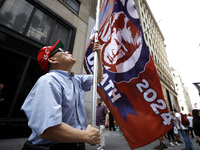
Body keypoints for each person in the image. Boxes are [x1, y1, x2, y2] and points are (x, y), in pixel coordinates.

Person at [21, 39, 103, 150]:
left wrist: (98, 55)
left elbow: (97, 78)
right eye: (60, 50)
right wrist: (86, 135)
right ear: (52, 60)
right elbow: (48, 129)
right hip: (54, 147)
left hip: (76, 144)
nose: (67, 51)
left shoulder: (76, 80)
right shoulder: (48, 81)